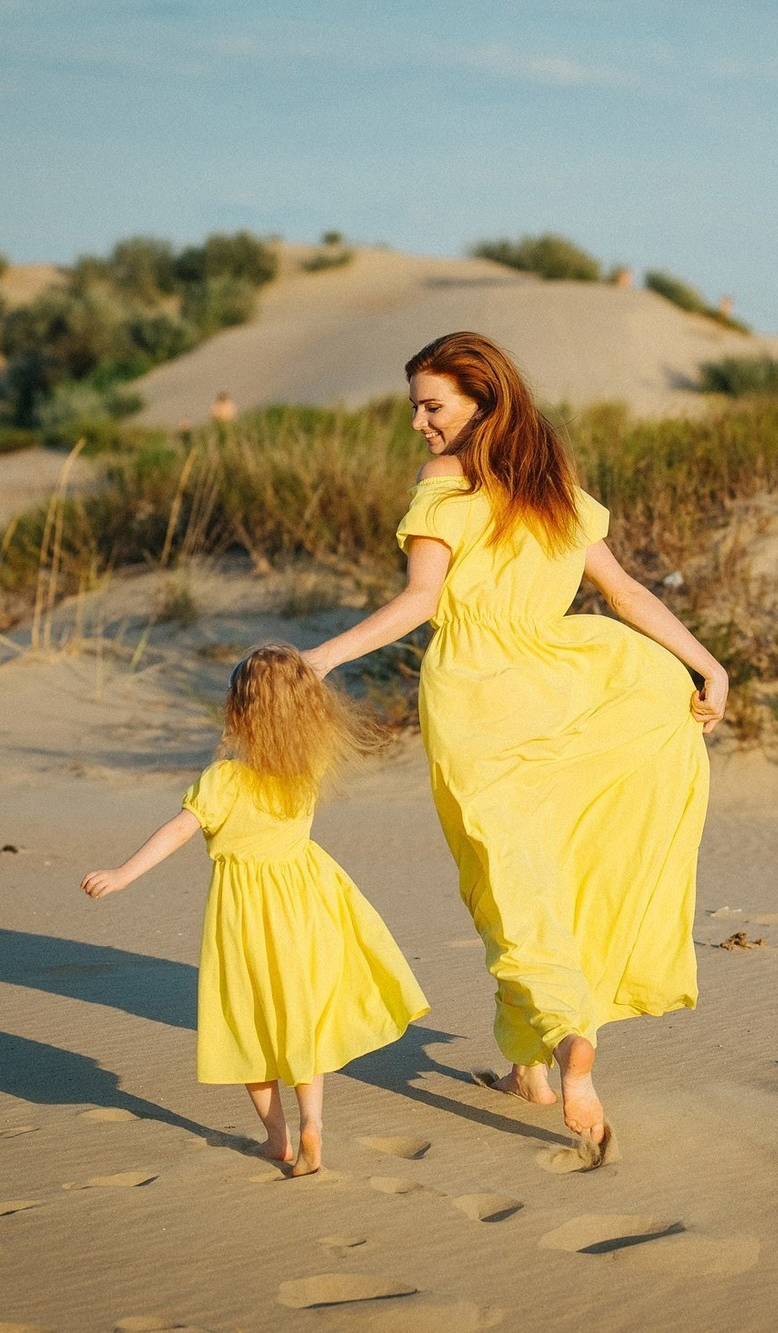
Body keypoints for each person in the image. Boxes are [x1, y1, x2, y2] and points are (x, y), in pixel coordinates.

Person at [300, 331, 724, 1169]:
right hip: (569, 684)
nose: (419, 424)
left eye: (433, 406)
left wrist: (323, 656)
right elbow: (624, 591)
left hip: (478, 704)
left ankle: (570, 1041)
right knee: (556, 868)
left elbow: (420, 601)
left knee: (506, 877)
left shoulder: (441, 483)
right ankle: (532, 1068)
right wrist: (705, 664)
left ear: (483, 402)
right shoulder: (555, 486)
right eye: (415, 407)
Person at [79, 644, 428, 1176]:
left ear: (238, 712)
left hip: (243, 918)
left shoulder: (222, 780)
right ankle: (313, 1121)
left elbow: (177, 830)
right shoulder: (305, 770)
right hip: (309, 908)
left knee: (249, 1026)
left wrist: (123, 873)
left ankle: (278, 1139)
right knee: (300, 1023)